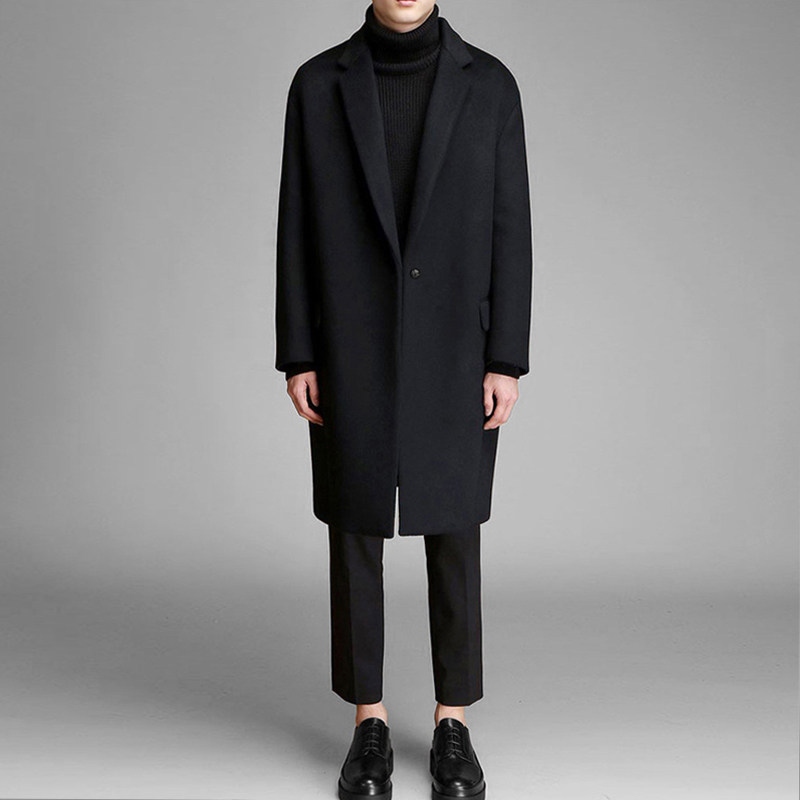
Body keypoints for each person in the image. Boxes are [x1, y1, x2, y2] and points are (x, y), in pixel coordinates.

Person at [275, 2, 532, 798]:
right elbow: (295, 222)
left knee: (454, 527)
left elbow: (512, 226)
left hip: (458, 344)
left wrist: (506, 357)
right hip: (348, 341)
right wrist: (299, 350)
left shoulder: (490, 86)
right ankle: (369, 723)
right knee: (355, 526)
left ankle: (454, 722)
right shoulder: (318, 86)